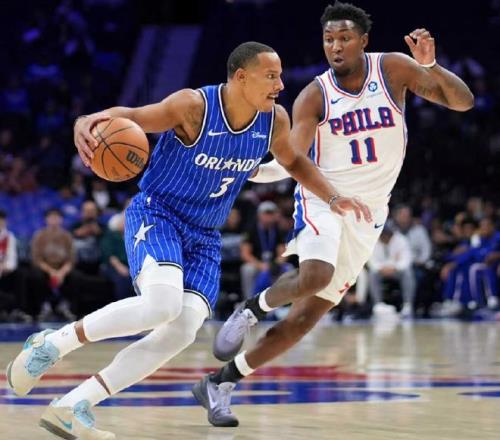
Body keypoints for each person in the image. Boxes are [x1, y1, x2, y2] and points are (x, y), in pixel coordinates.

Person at [6, 41, 370, 438]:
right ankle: (52, 344)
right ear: (241, 77)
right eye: (271, 76)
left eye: (280, 76)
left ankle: (74, 405)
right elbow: (131, 117)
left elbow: (293, 162)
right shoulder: (193, 107)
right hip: (159, 214)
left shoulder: (274, 121)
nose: (280, 85)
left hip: (204, 235)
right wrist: (87, 120)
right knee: (160, 305)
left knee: (183, 329)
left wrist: (332, 197)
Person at [203, 1, 474, 427]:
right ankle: (250, 310)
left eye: (344, 38)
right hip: (322, 198)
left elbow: (463, 102)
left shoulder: (392, 69)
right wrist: (248, 170)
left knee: (303, 321)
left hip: (368, 215)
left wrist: (431, 66)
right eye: (329, 39)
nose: (335, 46)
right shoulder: (314, 95)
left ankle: (220, 382)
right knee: (316, 275)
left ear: (363, 41)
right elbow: (291, 159)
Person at [368, 224, 415, 317]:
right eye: (382, 234)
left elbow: (406, 260)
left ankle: (407, 305)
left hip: (396, 270)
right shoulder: (373, 240)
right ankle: (378, 305)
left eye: (387, 234)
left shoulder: (401, 240)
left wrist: (394, 267)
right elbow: (371, 261)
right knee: (372, 274)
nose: (385, 236)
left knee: (408, 273)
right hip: (381, 271)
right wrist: (381, 268)